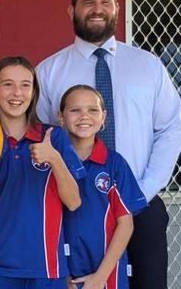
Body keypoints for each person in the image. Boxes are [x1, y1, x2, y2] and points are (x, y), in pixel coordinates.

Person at [35, 0, 181, 289]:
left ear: (117, 8)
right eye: (88, 2)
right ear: (72, 11)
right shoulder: (48, 72)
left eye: (105, 2)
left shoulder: (149, 66)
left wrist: (143, 190)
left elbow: (170, 129)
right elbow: (43, 137)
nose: (97, 9)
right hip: (75, 207)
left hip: (140, 202)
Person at [0, 56, 85, 289]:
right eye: (8, 84)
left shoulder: (54, 137)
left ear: (33, 92)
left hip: (47, 268)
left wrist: (54, 159)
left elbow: (73, 202)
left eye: (25, 85)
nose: (17, 93)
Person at [58, 85, 147, 289]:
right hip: (61, 272)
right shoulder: (53, 162)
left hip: (107, 274)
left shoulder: (115, 164)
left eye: (92, 110)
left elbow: (126, 225)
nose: (84, 116)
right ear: (61, 117)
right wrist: (61, 276)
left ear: (104, 116)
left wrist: (100, 277)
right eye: (75, 110)